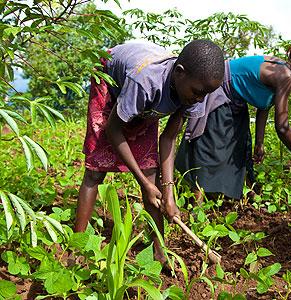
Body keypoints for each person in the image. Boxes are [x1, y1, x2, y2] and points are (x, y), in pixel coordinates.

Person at [74, 40, 224, 264]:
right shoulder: (146, 81)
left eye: (206, 95)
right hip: (111, 80)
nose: (200, 100)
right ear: (180, 73)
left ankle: (159, 252)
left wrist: (169, 194)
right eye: (198, 93)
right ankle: (75, 248)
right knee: (95, 172)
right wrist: (142, 182)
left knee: (151, 171)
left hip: (145, 102)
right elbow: (113, 129)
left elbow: (168, 138)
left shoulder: (194, 90)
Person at [176, 44, 291, 201]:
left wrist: (259, 143)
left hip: (235, 101)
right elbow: (282, 126)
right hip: (220, 95)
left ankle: (236, 192)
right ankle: (197, 203)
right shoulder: (285, 75)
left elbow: (264, 106)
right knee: (211, 149)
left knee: (239, 148)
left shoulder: (281, 70)